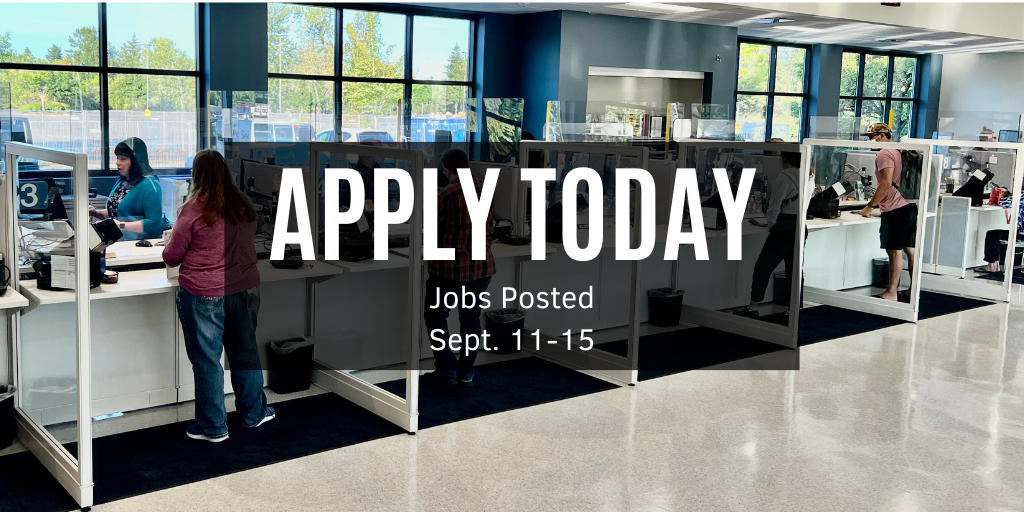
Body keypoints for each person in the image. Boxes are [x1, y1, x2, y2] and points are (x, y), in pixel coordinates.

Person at [163, 149, 274, 442]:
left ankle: (214, 428)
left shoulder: (194, 209)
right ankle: (253, 415)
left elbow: (172, 256)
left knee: (208, 360)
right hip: (246, 289)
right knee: (245, 353)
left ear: (195, 176)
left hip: (205, 293)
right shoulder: (244, 205)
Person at [422, 148, 495, 388]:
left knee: (435, 316)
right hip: (481, 268)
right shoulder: (485, 188)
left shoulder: (446, 194)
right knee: (470, 318)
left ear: (446, 170)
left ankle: (446, 368)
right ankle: (466, 372)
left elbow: (431, 229)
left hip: (449, 270)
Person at [735, 146, 811, 319]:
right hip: (800, 226)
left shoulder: (784, 176)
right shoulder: (809, 174)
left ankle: (753, 307)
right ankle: (793, 311)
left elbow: (774, 205)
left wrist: (771, 224)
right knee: (795, 271)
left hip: (784, 227)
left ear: (784, 159)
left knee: (763, 267)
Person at [859, 123, 916, 302]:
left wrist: (870, 206)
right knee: (910, 250)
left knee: (894, 250)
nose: (870, 140)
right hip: (910, 205)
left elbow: (885, 183)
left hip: (895, 208)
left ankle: (891, 293)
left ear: (882, 136)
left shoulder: (885, 153)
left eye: (872, 136)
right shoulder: (900, 150)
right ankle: (913, 290)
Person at [89, 137, 168, 241]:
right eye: (117, 158)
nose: (117, 163)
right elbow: (120, 212)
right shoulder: (122, 181)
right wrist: (96, 213)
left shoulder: (149, 184)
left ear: (136, 161)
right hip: (120, 241)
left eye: (123, 159)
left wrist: (121, 225)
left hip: (138, 243)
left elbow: (154, 222)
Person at [976, 189, 1024, 273]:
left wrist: (1003, 196)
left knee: (992, 235)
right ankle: (995, 264)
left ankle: (992, 265)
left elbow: (1005, 203)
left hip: (1021, 234)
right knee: (996, 235)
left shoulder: (1022, 195)